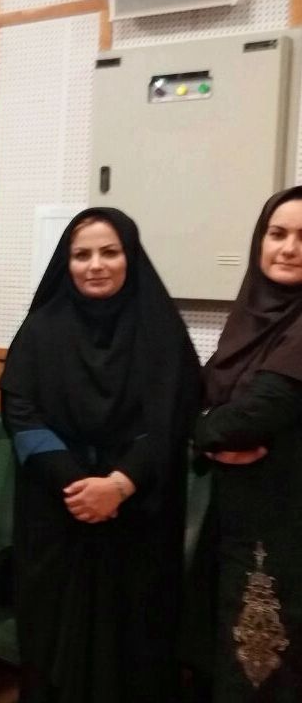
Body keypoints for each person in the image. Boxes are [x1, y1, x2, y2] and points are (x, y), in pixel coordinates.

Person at [0, 208, 201, 702]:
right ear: (66, 263)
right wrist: (76, 485)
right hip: (57, 513)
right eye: (81, 254)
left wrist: (119, 485)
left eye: (109, 252)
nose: (95, 265)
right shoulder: (41, 329)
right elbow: (20, 411)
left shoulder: (162, 333)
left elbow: (173, 420)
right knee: (52, 642)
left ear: (130, 256)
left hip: (137, 519)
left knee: (133, 645)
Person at [194, 186, 302, 701]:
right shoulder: (249, 320)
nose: (289, 248)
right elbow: (203, 399)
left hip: (286, 523)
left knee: (265, 668)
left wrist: (200, 433)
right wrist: (207, 432)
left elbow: (253, 416)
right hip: (236, 514)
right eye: (277, 234)